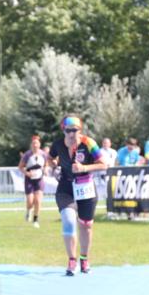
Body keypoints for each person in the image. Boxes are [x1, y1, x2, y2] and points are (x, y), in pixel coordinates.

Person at [48, 115, 106, 275]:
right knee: (68, 221)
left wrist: (84, 168)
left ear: (80, 130)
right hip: (66, 187)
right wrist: (53, 167)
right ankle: (71, 260)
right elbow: (50, 157)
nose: (72, 134)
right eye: (69, 131)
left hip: (86, 186)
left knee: (86, 225)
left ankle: (84, 258)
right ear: (63, 131)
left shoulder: (89, 143)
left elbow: (103, 164)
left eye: (76, 130)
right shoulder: (58, 144)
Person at [19, 135, 48, 227]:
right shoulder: (27, 155)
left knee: (38, 200)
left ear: (39, 144)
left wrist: (46, 170)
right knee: (30, 201)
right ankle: (28, 211)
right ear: (31, 145)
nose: (35, 145)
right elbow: (20, 167)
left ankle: (35, 219)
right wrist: (27, 173)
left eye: (37, 143)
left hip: (39, 179)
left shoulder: (43, 154)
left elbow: (46, 165)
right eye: (33, 143)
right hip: (29, 180)